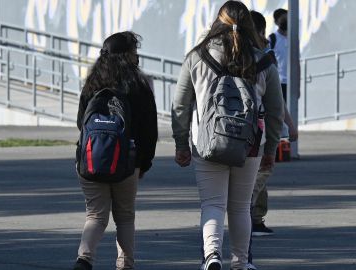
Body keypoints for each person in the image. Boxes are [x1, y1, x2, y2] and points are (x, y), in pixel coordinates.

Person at [171, 1, 284, 270]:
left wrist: (181, 143)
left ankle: (212, 256)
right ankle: (241, 263)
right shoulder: (263, 59)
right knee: (241, 207)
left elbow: (180, 105)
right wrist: (271, 149)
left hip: (207, 142)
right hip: (251, 144)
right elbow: (275, 110)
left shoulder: (197, 56)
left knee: (212, 203)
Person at [73, 31, 158, 270]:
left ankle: (84, 258)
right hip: (127, 162)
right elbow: (148, 130)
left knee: (95, 215)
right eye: (134, 51)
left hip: (91, 159)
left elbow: (82, 122)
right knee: (125, 216)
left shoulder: (92, 83)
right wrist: (144, 162)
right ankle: (125, 264)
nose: (137, 56)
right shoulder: (139, 85)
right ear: (127, 55)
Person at [249, 10, 298, 237]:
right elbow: (275, 104)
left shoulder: (226, 56)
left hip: (226, 129)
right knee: (262, 169)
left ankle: (255, 217)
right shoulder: (263, 58)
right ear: (259, 32)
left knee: (256, 170)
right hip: (256, 127)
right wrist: (288, 125)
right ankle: (248, 209)